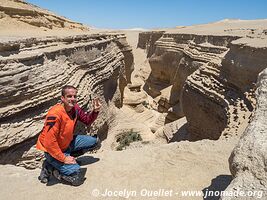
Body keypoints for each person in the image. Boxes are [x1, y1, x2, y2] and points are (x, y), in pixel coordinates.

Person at [36, 85, 102, 186]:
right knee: (77, 176)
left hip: (67, 143)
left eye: (74, 96)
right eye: (69, 96)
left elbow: (87, 120)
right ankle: (51, 168)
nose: (73, 99)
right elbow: (49, 142)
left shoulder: (75, 109)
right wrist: (63, 158)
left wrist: (95, 111)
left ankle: (60, 163)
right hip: (52, 150)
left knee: (95, 141)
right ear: (62, 98)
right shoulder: (55, 114)